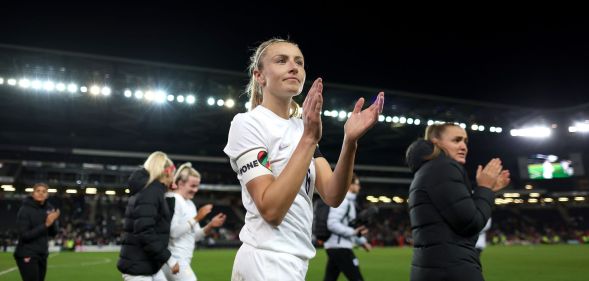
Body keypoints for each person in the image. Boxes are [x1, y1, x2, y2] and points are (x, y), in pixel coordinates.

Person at [224, 38, 384, 280]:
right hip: (265, 260)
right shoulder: (247, 123)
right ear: (259, 76)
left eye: (299, 62)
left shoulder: (301, 128)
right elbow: (271, 209)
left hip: (294, 261)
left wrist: (349, 142)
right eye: (281, 60)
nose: (294, 66)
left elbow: (332, 194)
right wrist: (309, 138)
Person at [405, 123, 510, 281]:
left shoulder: (427, 170)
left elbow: (456, 224)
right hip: (452, 269)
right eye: (456, 140)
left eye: (465, 141)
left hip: (430, 269)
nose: (463, 146)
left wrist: (489, 190)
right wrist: (485, 188)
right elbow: (471, 224)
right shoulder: (444, 167)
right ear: (436, 142)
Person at [155, 162, 227, 281]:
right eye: (192, 186)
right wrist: (197, 218)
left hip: (182, 260)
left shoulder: (189, 203)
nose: (195, 190)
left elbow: (195, 236)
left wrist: (210, 225)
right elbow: (173, 232)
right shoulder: (173, 200)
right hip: (174, 260)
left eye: (197, 186)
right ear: (180, 183)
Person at [117, 151, 180, 281]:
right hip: (139, 268)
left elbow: (163, 223)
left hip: (146, 265)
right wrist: (170, 259)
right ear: (168, 172)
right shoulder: (151, 192)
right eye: (173, 173)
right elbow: (145, 231)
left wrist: (169, 194)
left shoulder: (151, 190)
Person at [323, 173, 371, 281]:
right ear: (349, 185)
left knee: (330, 278)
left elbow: (348, 227)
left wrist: (362, 242)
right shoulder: (343, 201)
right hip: (340, 248)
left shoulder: (347, 201)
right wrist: (354, 233)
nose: (359, 187)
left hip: (335, 247)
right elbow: (332, 224)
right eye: (357, 184)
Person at [14, 182, 60, 281]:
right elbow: (24, 236)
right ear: (33, 193)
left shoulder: (49, 208)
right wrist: (46, 224)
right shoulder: (25, 210)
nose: (41, 193)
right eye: (38, 191)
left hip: (42, 254)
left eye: (44, 191)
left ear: (47, 195)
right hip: (27, 253)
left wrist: (53, 222)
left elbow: (53, 233)